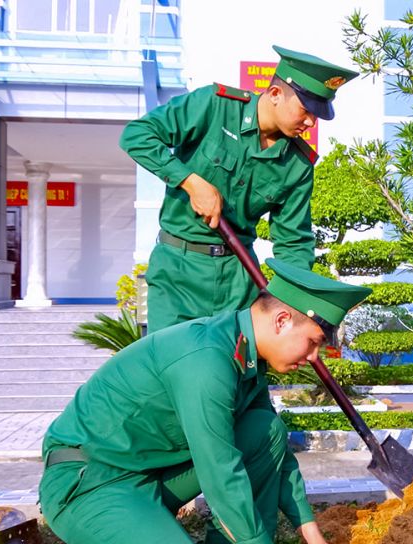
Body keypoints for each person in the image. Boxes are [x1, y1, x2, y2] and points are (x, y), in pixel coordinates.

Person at [38, 260, 372, 544]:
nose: (314, 358)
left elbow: (273, 449)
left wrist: (313, 538)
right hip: (90, 482)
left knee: (267, 429)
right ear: (281, 322)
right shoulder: (207, 362)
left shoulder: (246, 352)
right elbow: (220, 473)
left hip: (144, 474)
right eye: (313, 343)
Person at [121, 45, 358, 333]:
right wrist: (189, 181)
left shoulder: (298, 164)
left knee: (242, 374)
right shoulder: (214, 105)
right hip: (177, 271)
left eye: (317, 116)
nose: (310, 122)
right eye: (306, 110)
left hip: (239, 278)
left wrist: (291, 302)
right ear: (274, 95)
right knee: (167, 367)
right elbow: (137, 135)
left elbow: (293, 242)